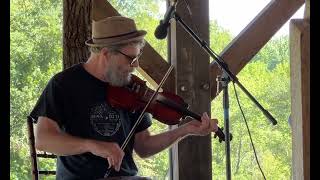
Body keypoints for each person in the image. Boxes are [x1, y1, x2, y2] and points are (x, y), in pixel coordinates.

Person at [30, 16, 219, 180]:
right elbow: (43, 139)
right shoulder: (64, 84)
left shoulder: (132, 88)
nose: (135, 66)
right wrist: (91, 145)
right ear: (106, 53)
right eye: (130, 59)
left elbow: (144, 147)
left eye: (137, 58)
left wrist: (183, 130)